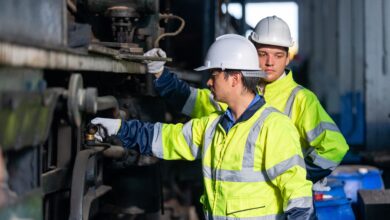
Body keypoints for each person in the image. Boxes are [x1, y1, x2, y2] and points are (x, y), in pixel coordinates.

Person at [92, 34, 314, 219]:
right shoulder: (213, 127)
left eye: (214, 74)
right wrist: (118, 128)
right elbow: (165, 138)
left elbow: (298, 197)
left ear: (235, 78)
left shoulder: (274, 127)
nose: (208, 81)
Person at [146, 16, 349, 184]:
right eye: (262, 54)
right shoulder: (237, 89)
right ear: (252, 53)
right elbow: (192, 101)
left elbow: (334, 146)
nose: (270, 62)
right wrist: (160, 74)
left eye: (278, 55)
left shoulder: (301, 99)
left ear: (288, 58)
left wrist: (299, 178)